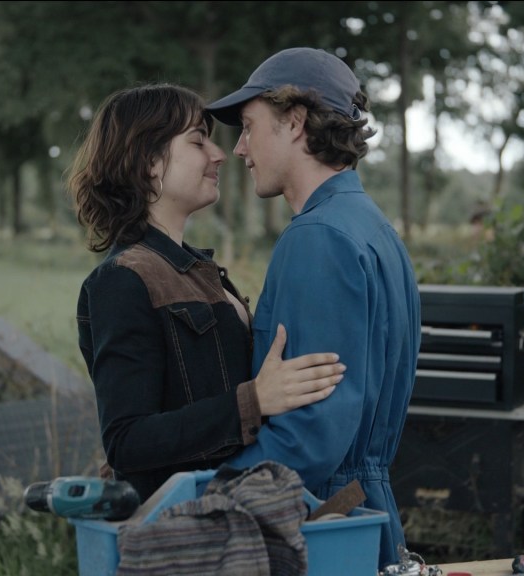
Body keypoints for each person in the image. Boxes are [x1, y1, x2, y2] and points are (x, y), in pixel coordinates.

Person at [70, 83, 347, 503]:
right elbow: (127, 441)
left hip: (235, 509)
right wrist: (254, 401)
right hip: (181, 525)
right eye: (198, 141)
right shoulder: (123, 280)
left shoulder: (199, 271)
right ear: (148, 160)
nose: (219, 154)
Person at [206, 47, 422, 569]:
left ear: (295, 122)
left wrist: (214, 491)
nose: (239, 148)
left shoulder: (319, 238)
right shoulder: (371, 226)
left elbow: (311, 435)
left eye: (249, 126)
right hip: (361, 514)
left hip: (318, 525)